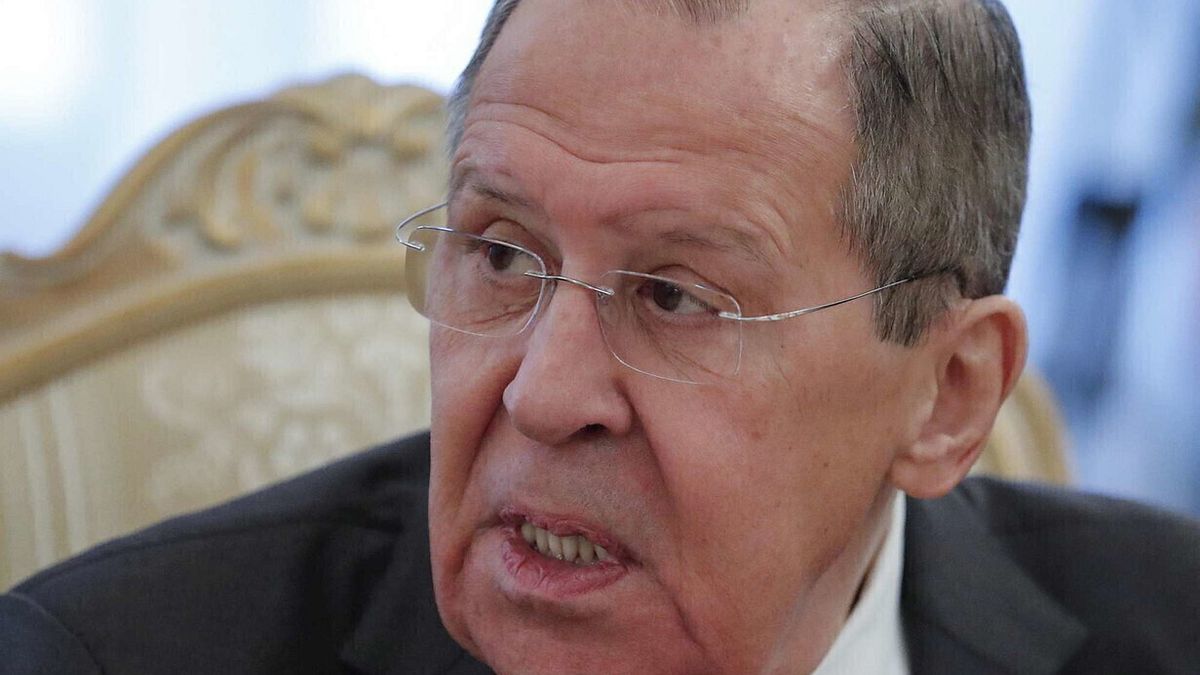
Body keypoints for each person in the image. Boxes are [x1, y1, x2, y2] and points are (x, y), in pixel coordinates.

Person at [2, 0, 1198, 673]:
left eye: (676, 296)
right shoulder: (105, 657)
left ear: (946, 395)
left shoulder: (1170, 624)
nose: (541, 393)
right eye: (501, 254)